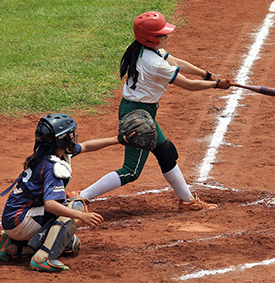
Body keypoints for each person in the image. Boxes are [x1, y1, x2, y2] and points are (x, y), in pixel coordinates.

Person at [75, 11, 231, 211]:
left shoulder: (142, 50)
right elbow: (189, 86)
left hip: (137, 109)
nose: (166, 36)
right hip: (138, 115)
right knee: (131, 170)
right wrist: (217, 85)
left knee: (165, 152)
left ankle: (188, 200)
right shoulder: (155, 64)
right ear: (150, 38)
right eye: (162, 34)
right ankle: (82, 197)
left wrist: (207, 75)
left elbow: (176, 62)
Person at [0, 114, 119, 272]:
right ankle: (42, 259)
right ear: (60, 140)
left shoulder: (47, 154)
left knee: (71, 245)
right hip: (20, 220)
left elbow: (87, 146)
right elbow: (50, 205)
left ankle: (13, 245)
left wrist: (118, 140)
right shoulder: (51, 167)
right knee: (76, 206)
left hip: (15, 218)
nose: (72, 138)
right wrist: (81, 216)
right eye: (69, 135)